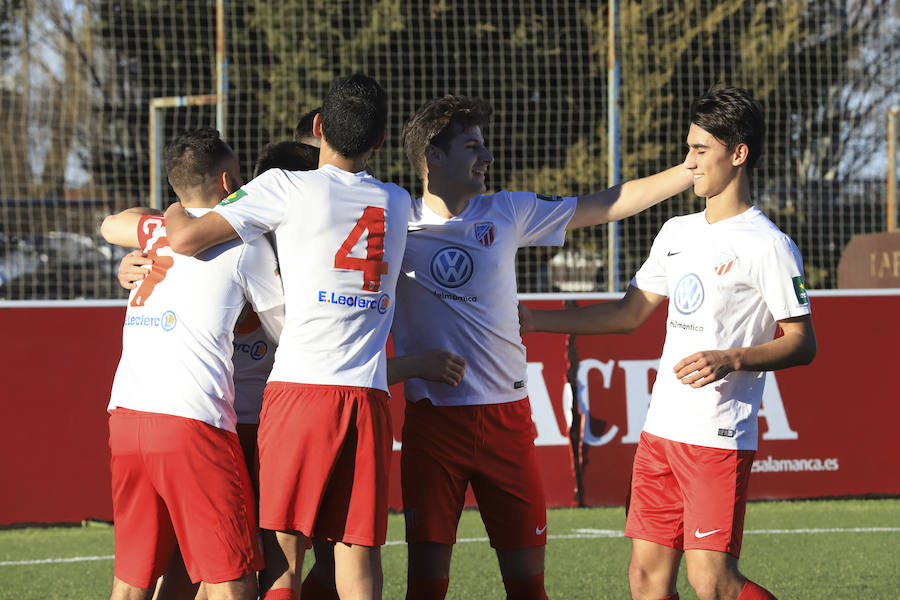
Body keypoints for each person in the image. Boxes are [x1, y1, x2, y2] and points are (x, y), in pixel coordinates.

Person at [392, 94, 694, 600]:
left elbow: (607, 203)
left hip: (507, 424)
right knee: (425, 587)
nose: (486, 158)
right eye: (472, 147)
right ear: (432, 157)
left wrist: (687, 172)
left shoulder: (508, 210)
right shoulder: (395, 220)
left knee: (529, 588)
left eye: (484, 146)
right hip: (432, 426)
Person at [518, 87, 816, 600]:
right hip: (661, 433)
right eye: (688, 149)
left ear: (738, 154)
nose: (690, 163)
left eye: (701, 150)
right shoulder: (675, 231)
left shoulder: (769, 244)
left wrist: (733, 358)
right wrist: (534, 321)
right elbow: (628, 314)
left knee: (712, 583)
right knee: (645, 580)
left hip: (716, 438)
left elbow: (803, 343)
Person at [161, 74, 410, 600]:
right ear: (380, 141)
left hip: (299, 390)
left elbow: (184, 237)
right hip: (368, 396)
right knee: (357, 550)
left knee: (282, 549)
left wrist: (167, 213)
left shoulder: (284, 186)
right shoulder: (396, 200)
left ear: (317, 128)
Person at [100, 127, 285, 600]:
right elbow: (286, 330)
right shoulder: (246, 243)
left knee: (133, 578)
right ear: (229, 183)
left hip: (126, 417)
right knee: (233, 579)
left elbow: (109, 224)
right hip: (192, 421)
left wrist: (168, 217)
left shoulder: (158, 230)